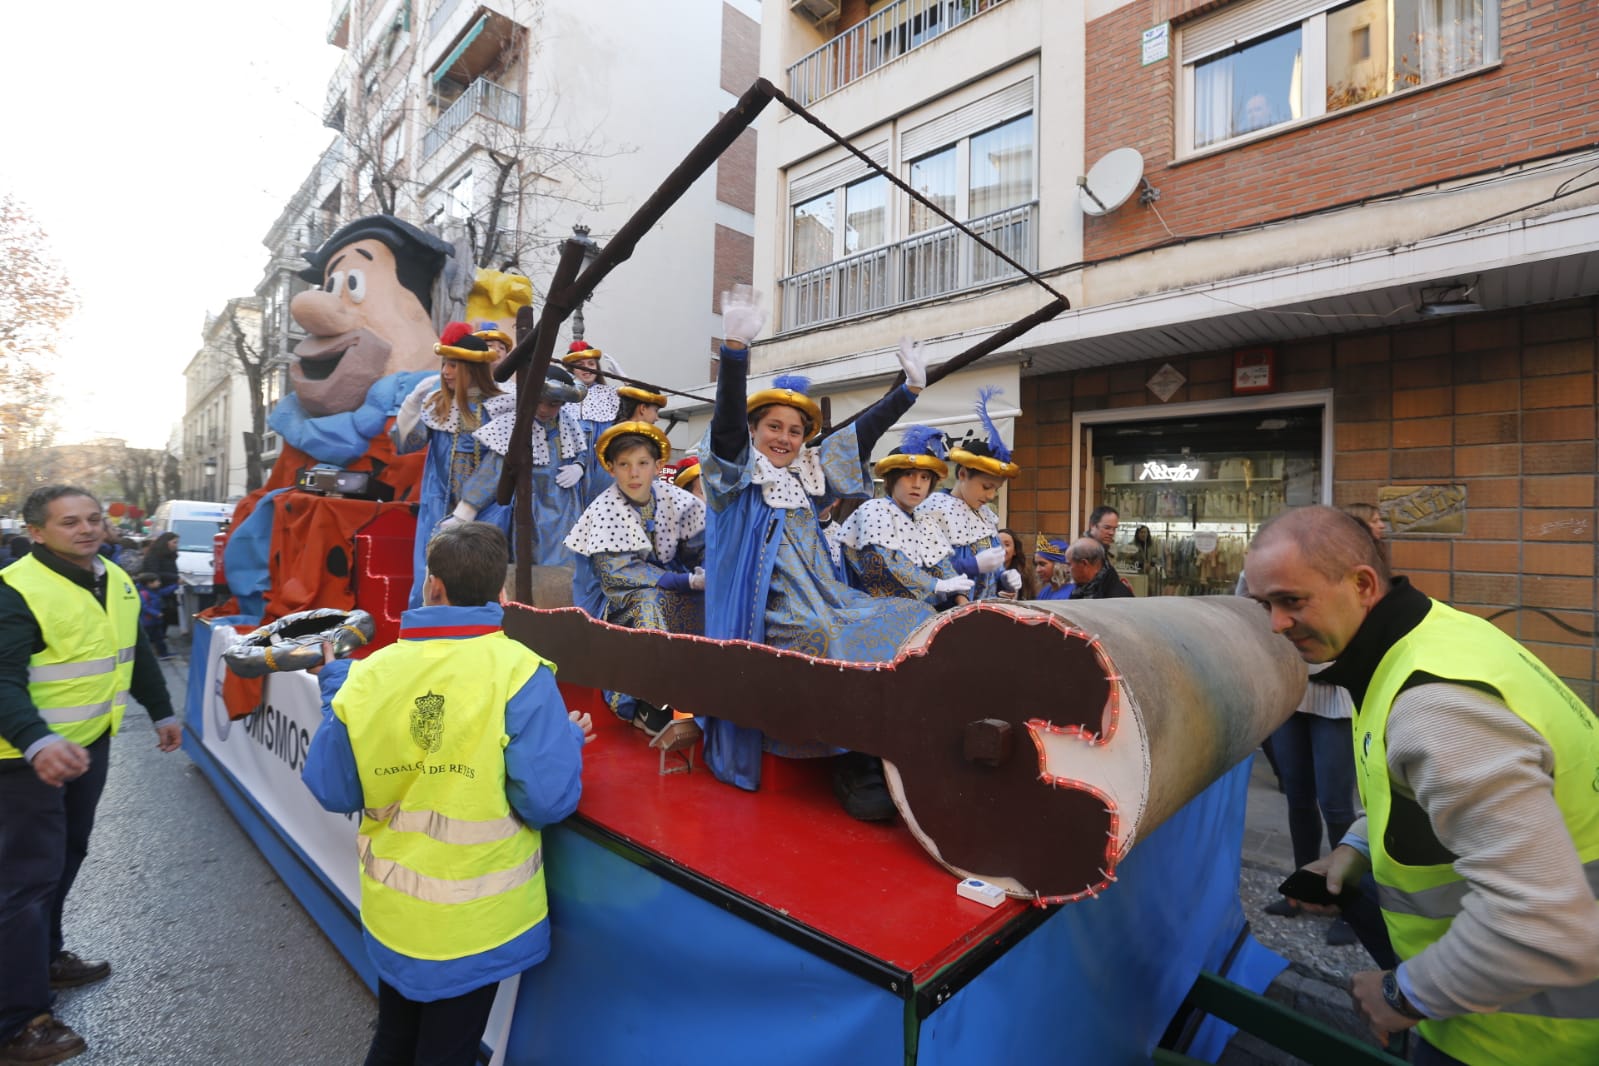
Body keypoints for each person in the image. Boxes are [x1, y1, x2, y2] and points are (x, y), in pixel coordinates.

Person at [1244, 505, 1599, 1063]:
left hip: (1524, 1041)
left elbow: (1541, 921)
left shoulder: (1434, 704)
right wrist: (1355, 849)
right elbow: (1414, 792)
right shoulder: (1427, 639)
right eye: (1264, 605)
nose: (1276, 625)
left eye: (1292, 600)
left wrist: (1402, 994)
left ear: (1362, 584)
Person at [302, 521, 592, 1066]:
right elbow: (547, 801)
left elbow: (332, 786)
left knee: (393, 1039)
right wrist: (568, 738)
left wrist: (335, 696)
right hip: (478, 924)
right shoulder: (520, 672)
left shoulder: (368, 676)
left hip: (396, 912)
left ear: (432, 585)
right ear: (501, 594)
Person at [699, 285, 935, 820]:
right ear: (756, 433)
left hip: (827, 598)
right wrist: (734, 351)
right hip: (769, 615)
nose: (784, 438)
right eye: (774, 428)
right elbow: (727, 430)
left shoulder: (807, 480)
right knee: (831, 638)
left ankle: (886, 742)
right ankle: (846, 757)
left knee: (910, 612)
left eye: (795, 430)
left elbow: (858, 436)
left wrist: (908, 391)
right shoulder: (735, 483)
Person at [0, 486, 181, 1065]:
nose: (86, 529)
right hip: (23, 759)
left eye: (93, 519)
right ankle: (18, 1023)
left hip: (85, 746)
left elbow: (133, 651)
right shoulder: (15, 590)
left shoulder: (112, 576)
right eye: (69, 522)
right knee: (24, 883)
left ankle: (46, 955)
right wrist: (36, 740)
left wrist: (161, 709)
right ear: (36, 532)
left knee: (67, 856)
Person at [564, 421, 705, 733]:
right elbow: (618, 574)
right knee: (648, 604)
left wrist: (704, 571)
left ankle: (704, 695)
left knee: (713, 602)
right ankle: (647, 702)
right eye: (624, 465)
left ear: (658, 466)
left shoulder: (676, 500)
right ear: (611, 468)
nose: (634, 473)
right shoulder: (604, 509)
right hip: (611, 597)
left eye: (642, 464)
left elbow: (700, 546)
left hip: (670, 582)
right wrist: (683, 582)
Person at [392, 322, 518, 608]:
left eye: (453, 366)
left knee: (481, 580)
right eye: (444, 365)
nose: (445, 372)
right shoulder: (438, 404)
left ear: (472, 369)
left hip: (488, 511)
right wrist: (411, 406)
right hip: (439, 508)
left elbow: (497, 463)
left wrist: (467, 509)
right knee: (431, 578)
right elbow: (407, 444)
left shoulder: (500, 407)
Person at [837, 425, 972, 609]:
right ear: (891, 479)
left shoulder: (925, 521)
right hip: (875, 611)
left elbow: (941, 566)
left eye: (925, 477)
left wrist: (961, 599)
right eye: (908, 475)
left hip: (918, 612)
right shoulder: (874, 509)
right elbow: (884, 567)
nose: (917, 485)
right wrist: (935, 585)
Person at [917, 389, 1023, 601]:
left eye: (996, 489)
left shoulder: (986, 516)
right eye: (986, 486)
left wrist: (1005, 578)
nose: (991, 495)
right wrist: (971, 566)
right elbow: (923, 570)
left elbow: (992, 570)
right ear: (963, 474)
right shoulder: (932, 510)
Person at [526, 365, 590, 568]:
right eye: (539, 402)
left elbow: (582, 451)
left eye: (553, 404)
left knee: (565, 556)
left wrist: (578, 467)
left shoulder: (568, 423)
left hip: (563, 503)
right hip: (529, 501)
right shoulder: (518, 425)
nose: (544, 410)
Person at [1066, 538, 1133, 599]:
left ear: (1084, 563)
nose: (1067, 571)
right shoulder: (1084, 587)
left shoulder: (1116, 598)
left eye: (1069, 565)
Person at [142, 531, 182, 629]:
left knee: (167, 616)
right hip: (157, 589)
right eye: (174, 542)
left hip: (168, 589)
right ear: (166, 542)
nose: (176, 545)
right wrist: (174, 577)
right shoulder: (154, 556)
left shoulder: (170, 556)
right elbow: (154, 572)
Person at [137, 573, 173, 660]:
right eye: (157, 581)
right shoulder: (143, 593)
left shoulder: (154, 591)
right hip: (148, 621)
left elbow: (165, 591)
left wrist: (176, 585)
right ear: (149, 583)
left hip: (155, 620)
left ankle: (163, 654)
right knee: (149, 639)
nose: (159, 583)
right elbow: (145, 607)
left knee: (159, 638)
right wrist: (156, 613)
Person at [997, 527, 1037, 600]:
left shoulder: (1024, 575)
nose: (1002, 548)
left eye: (1007, 544)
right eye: (997, 544)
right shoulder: (985, 575)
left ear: (1015, 551)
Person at [1032, 535, 1074, 600]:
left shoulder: (1072, 594)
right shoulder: (1044, 592)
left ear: (1058, 565)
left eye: (1042, 564)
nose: (1037, 570)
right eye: (1036, 564)